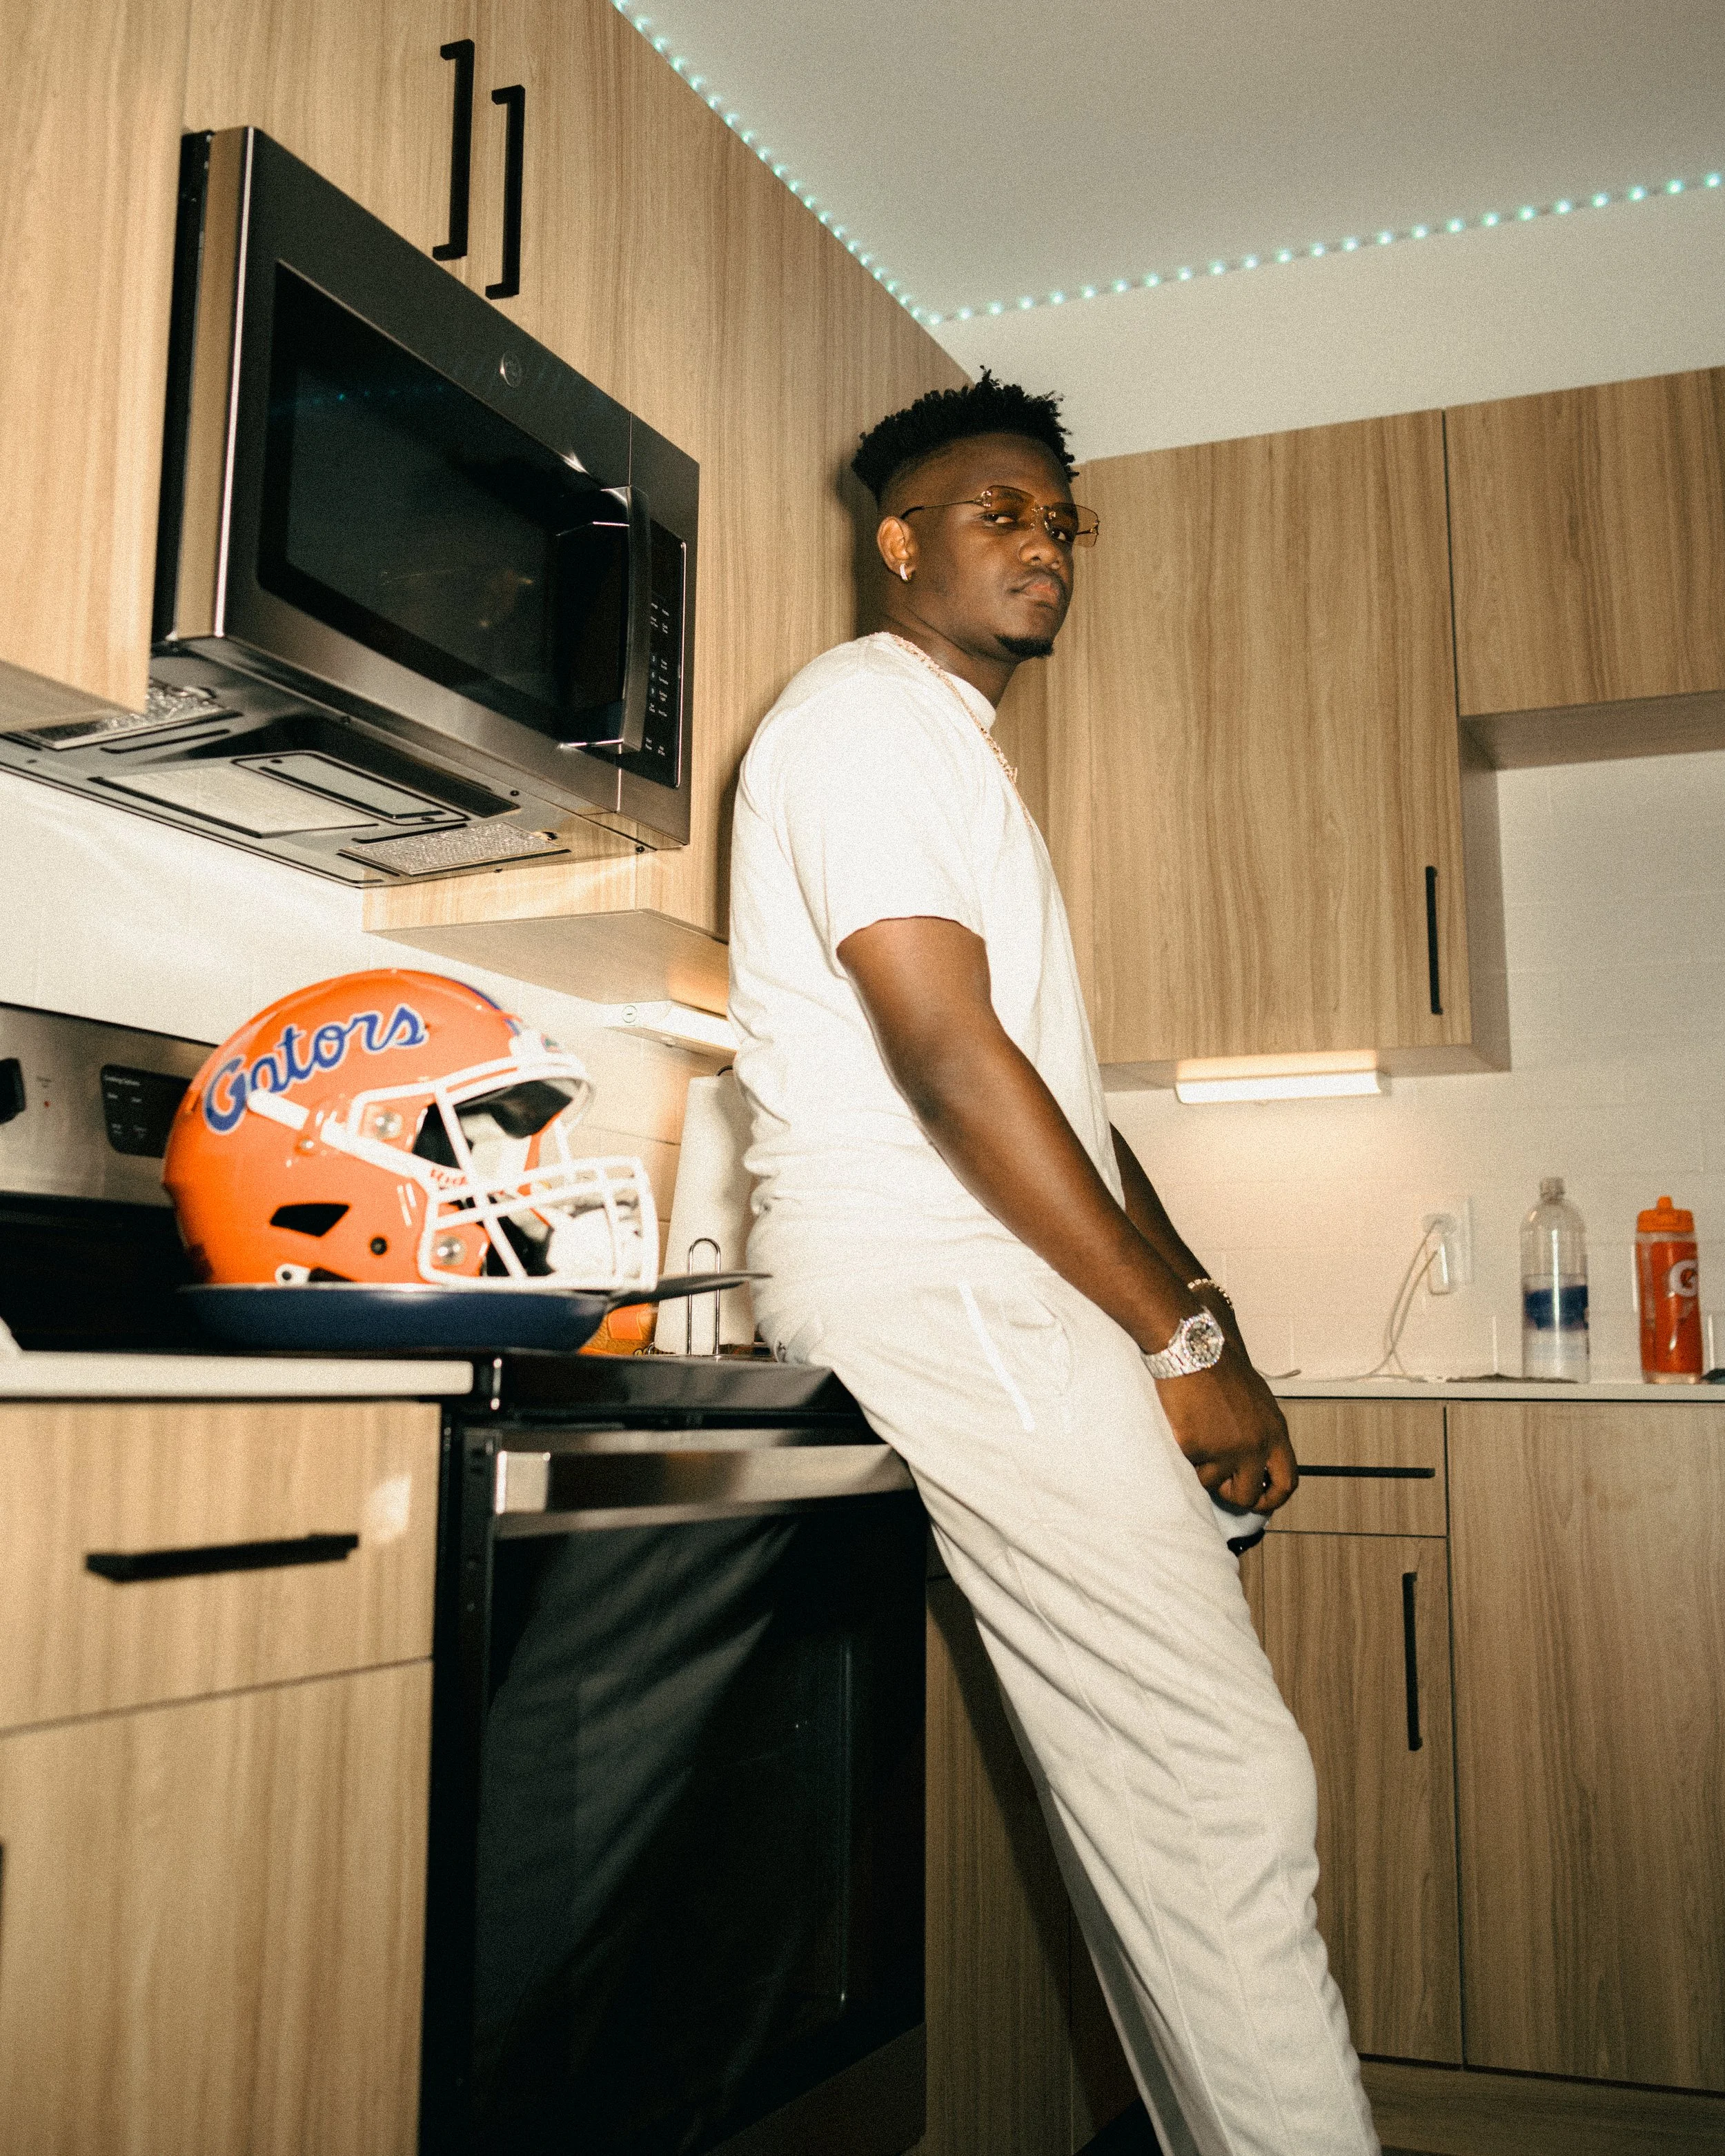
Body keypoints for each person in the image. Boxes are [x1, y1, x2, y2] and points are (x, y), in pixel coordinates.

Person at [727, 371, 1379, 2156]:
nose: (1039, 542)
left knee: (1182, 1785)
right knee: (1210, 1780)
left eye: (1057, 516)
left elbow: (1055, 1105)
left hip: (987, 1276)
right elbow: (950, 1062)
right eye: (996, 509)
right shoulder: (863, 714)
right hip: (943, 1278)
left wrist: (1202, 1321)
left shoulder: (939, 748)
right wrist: (1173, 1338)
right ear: (898, 538)